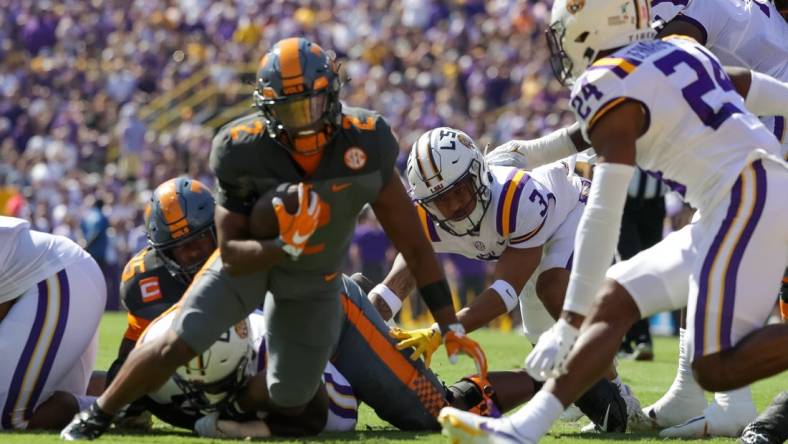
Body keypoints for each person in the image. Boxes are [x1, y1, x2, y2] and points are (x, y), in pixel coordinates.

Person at [61, 37, 484, 440]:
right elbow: (229, 252)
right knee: (180, 335)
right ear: (266, 109)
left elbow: (413, 244)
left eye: (312, 106)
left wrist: (448, 322)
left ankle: (238, 411)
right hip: (252, 263)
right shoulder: (239, 148)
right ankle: (97, 415)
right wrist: (285, 245)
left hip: (318, 284)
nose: (303, 123)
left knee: (417, 412)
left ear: (333, 96)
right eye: (290, 110)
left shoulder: (366, 141)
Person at [438, 0, 788, 442]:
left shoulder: (605, 82)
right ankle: (522, 430)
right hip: (746, 196)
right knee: (615, 300)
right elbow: (742, 84)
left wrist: (567, 323)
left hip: (747, 198)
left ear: (589, 32)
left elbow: (603, 212)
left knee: (715, 366)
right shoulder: (678, 50)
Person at [370, 127, 647, 432]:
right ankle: (574, 394)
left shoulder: (515, 197)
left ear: (478, 173)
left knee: (552, 288)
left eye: (460, 189)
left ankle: (622, 396)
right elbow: (404, 273)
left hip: (570, 212)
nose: (455, 206)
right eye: (441, 199)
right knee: (544, 343)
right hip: (523, 240)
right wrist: (370, 313)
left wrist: (440, 331)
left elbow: (504, 292)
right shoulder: (424, 218)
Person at [134, 275, 536, 438]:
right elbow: (120, 380)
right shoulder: (159, 362)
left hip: (329, 316)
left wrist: (233, 424)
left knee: (438, 413)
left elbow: (307, 413)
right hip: (304, 332)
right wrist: (97, 411)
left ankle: (551, 378)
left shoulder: (258, 366)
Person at [0, 216, 106, 430]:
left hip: (57, 276)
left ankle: (121, 405)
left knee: (9, 416)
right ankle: (134, 394)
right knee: (56, 395)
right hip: (51, 280)